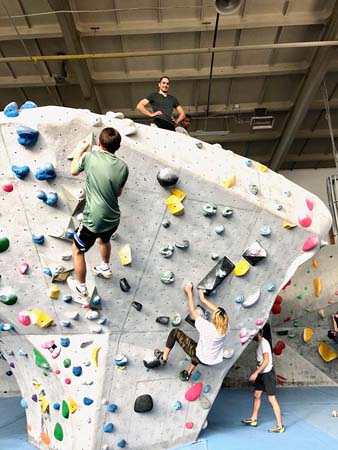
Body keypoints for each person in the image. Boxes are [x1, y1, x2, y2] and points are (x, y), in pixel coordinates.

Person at [67, 127, 129, 304]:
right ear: (118, 146)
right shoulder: (123, 167)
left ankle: (81, 287)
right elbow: (118, 193)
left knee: (77, 250)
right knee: (104, 240)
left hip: (93, 219)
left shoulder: (89, 157)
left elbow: (73, 170)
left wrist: (81, 150)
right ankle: (105, 267)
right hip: (113, 217)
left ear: (99, 143)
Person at [143, 284, 229, 381]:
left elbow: (192, 311)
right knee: (197, 348)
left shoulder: (207, 327)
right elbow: (220, 313)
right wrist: (202, 298)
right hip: (211, 359)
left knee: (175, 332)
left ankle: (163, 358)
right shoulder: (225, 327)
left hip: (200, 354)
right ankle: (188, 373)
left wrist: (189, 292)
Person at [241, 329, 285, 433]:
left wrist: (256, 373)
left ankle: (280, 426)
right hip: (261, 373)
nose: (252, 336)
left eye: (253, 334)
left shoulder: (264, 343)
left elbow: (266, 361)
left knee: (271, 398)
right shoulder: (260, 343)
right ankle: (253, 419)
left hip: (267, 374)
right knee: (257, 394)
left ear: (259, 333)